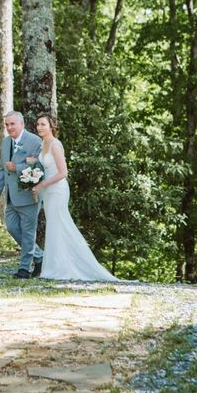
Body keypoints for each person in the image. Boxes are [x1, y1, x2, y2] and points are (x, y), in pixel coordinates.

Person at [30, 114, 118, 281]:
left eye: (43, 124)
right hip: (48, 190)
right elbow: (45, 167)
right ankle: (56, 266)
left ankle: (68, 267)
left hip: (57, 190)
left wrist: (41, 184)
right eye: (38, 124)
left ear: (51, 126)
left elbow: (63, 173)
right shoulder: (43, 145)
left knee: (60, 224)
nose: (39, 127)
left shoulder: (55, 145)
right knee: (54, 227)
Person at [0, 111, 43, 279]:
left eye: (12, 124)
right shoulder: (6, 142)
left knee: (28, 233)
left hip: (29, 195)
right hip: (11, 196)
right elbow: (2, 169)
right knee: (12, 228)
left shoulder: (34, 141)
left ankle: (24, 269)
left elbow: (41, 167)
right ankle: (40, 257)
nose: (9, 127)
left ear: (21, 124)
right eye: (7, 125)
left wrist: (18, 167)